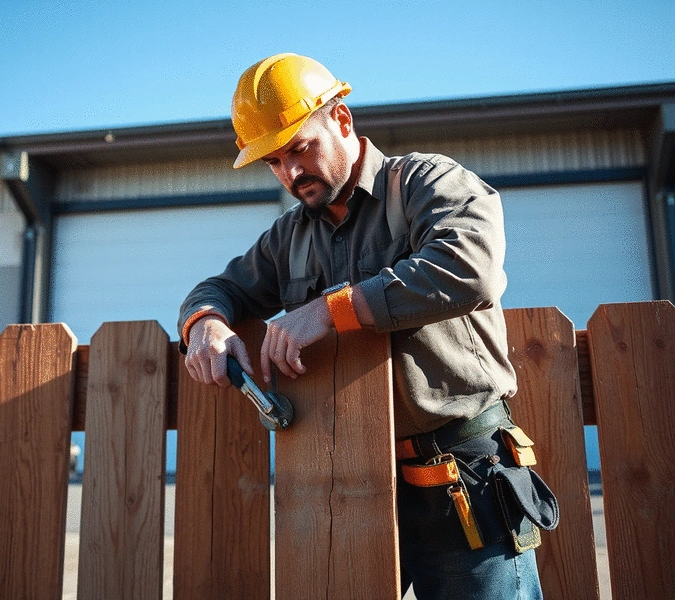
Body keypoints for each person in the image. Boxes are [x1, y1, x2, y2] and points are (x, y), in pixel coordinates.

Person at [178, 53, 558, 599]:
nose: (290, 173)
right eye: (274, 162)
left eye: (300, 149)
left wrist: (330, 309)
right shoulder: (288, 238)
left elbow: (469, 270)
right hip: (344, 485)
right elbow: (219, 289)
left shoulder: (427, 182)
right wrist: (205, 322)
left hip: (465, 478)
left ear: (342, 120)